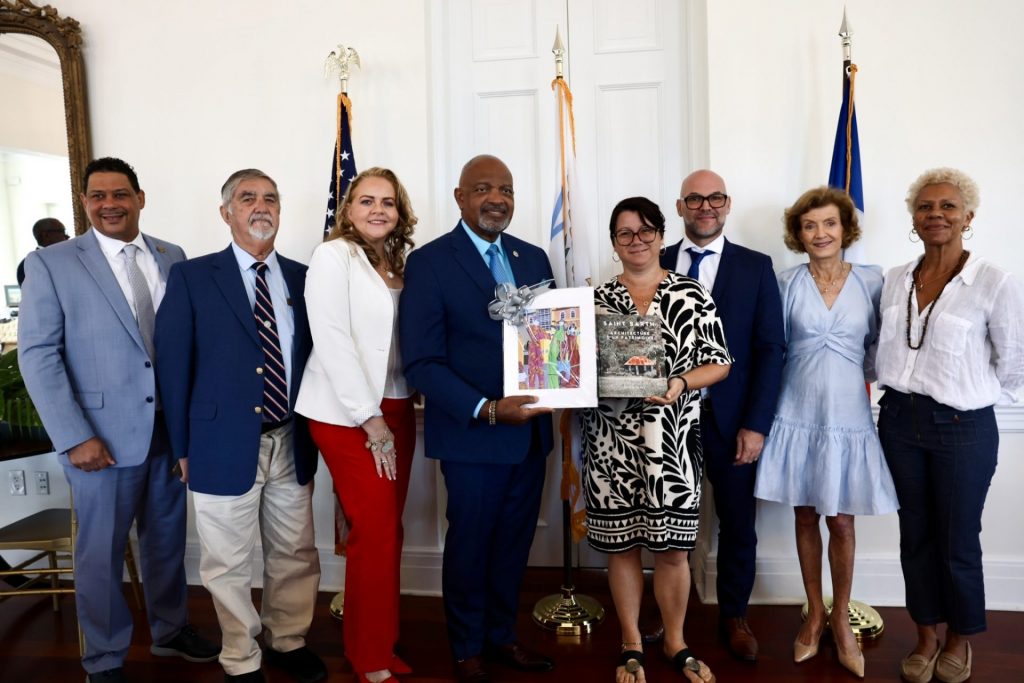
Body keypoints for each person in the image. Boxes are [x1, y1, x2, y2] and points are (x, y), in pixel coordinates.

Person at [18, 157, 219, 683]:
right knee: (100, 552)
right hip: (98, 440)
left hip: (169, 433)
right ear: (85, 202)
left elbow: (185, 344)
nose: (110, 204)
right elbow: (38, 355)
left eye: (120, 194)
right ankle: (105, 657)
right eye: (98, 196)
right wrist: (74, 436)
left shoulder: (172, 256)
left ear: (140, 198)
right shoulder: (52, 264)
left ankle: (170, 631)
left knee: (166, 542)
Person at [155, 169, 326, 683]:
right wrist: (182, 448)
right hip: (218, 444)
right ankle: (240, 656)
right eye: (247, 197)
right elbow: (173, 367)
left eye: (270, 197)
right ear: (225, 211)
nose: (261, 206)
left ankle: (287, 640)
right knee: (227, 562)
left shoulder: (303, 277)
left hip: (290, 439)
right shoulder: (192, 276)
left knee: (295, 552)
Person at [399, 154, 555, 683]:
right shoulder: (430, 263)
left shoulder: (534, 258)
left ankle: (501, 637)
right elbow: (422, 362)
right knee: (470, 546)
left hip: (530, 435)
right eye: (484, 188)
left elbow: (552, 342)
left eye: (506, 189)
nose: (497, 198)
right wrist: (487, 409)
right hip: (473, 436)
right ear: (460, 197)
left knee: (513, 545)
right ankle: (466, 648)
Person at [875, 168, 1024, 683]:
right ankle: (925, 636)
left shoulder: (993, 281)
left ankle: (960, 639)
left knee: (957, 538)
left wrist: (969, 394)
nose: (935, 214)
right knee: (914, 535)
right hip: (898, 421)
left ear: (968, 217)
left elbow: (1014, 363)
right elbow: (879, 351)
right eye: (925, 206)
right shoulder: (895, 278)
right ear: (913, 218)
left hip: (962, 427)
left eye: (948, 206)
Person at [583, 197, 730, 683]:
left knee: (672, 551)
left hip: (673, 446)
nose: (637, 240)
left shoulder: (692, 293)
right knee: (622, 547)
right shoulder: (594, 300)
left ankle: (675, 640)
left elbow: (720, 362)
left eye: (646, 230)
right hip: (610, 445)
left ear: (662, 236)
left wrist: (681, 383)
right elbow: (570, 368)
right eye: (625, 233)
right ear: (614, 243)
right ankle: (630, 642)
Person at [753, 187, 899, 678]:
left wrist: (854, 378)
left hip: (848, 416)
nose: (820, 233)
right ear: (798, 234)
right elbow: (771, 347)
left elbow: (879, 346)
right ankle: (814, 615)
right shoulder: (785, 283)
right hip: (796, 412)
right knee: (805, 515)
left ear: (845, 228)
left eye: (829, 223)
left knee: (841, 522)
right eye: (810, 225)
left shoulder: (873, 280)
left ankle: (841, 620)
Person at [656, 169, 786, 661]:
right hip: (665, 419)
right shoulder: (655, 260)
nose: (705, 207)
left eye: (715, 198)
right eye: (694, 199)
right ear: (680, 206)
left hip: (731, 422)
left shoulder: (755, 267)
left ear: (727, 204)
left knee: (737, 524)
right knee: (665, 521)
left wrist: (756, 424)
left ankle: (734, 615)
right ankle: (669, 617)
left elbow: (771, 349)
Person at [294, 167, 417, 683]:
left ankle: (381, 643)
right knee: (375, 531)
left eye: (387, 202)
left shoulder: (398, 262)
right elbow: (332, 338)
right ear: (348, 208)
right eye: (367, 201)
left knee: (389, 531)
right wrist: (369, 417)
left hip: (399, 406)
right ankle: (368, 655)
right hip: (350, 414)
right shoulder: (333, 256)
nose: (377, 210)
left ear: (399, 211)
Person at [16, 217, 69, 285]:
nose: (67, 236)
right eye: (62, 231)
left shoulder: (66, 258)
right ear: (46, 236)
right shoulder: (26, 265)